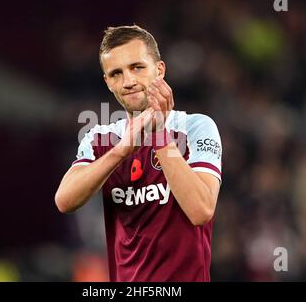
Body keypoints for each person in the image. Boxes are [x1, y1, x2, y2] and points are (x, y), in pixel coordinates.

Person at [55, 25, 222, 282]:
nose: (129, 81)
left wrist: (158, 136)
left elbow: (201, 210)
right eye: (116, 73)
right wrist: (121, 150)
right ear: (108, 83)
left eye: (137, 67)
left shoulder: (196, 127)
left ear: (160, 70)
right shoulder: (100, 138)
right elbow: (64, 200)